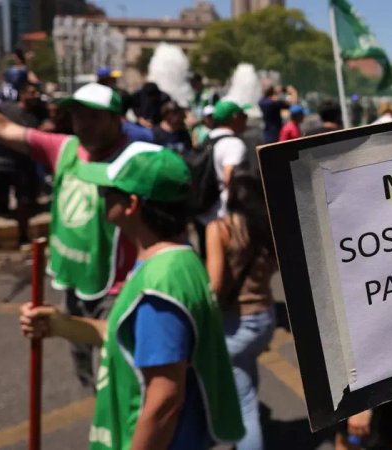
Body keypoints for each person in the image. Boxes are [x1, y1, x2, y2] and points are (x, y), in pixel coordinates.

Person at [19, 147, 244, 449]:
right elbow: (124, 336)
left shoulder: (160, 284)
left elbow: (164, 398)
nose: (99, 195)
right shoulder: (175, 261)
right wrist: (59, 325)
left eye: (107, 190)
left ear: (131, 205)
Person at [0, 83, 139, 388]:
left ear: (117, 119)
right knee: (83, 362)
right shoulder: (64, 148)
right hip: (73, 280)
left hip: (115, 287)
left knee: (116, 368)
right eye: (78, 115)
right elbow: (5, 129)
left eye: (94, 116)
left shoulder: (135, 162)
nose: (83, 123)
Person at [206, 167, 279, 450]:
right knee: (246, 377)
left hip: (235, 323)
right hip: (265, 318)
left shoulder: (220, 228)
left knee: (245, 404)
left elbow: (214, 284)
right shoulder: (267, 227)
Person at [194, 99, 250, 254]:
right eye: (243, 115)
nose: (246, 118)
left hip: (203, 213)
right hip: (224, 216)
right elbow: (229, 177)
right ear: (234, 117)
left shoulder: (207, 138)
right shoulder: (233, 144)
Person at [0, 82, 43, 246]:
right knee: (0, 204)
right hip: (2, 164)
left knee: (24, 202)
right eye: (31, 92)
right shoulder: (7, 109)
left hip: (23, 166)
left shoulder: (34, 116)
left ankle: (23, 237)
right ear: (22, 94)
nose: (35, 96)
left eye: (36, 92)